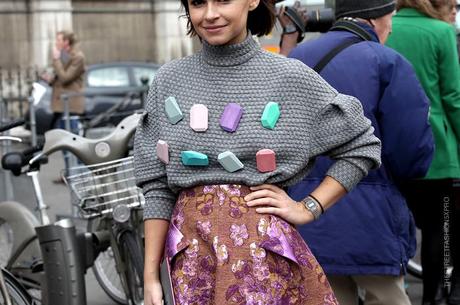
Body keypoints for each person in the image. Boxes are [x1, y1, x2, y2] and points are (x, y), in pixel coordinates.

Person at [133, 0, 382, 303]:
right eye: (198, 3)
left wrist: (308, 207)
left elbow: (362, 145)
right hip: (193, 263)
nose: (210, 14)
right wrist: (150, 278)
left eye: (223, 0)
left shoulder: (289, 77)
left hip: (266, 262)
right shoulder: (168, 81)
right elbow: (157, 186)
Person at [283, 1, 434, 304]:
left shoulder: (296, 59)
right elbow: (411, 149)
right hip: (372, 220)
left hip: (307, 215)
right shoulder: (387, 62)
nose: (390, 27)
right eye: (391, 17)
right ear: (377, 17)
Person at [386, 1, 460, 304]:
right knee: (438, 228)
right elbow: (452, 96)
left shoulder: (386, 26)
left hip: (390, 147)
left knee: (393, 225)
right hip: (436, 151)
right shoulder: (441, 32)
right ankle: (432, 297)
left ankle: (395, 290)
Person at [41, 30, 86, 182]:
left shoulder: (78, 57)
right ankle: (69, 175)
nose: (56, 43)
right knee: (65, 143)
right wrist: (50, 79)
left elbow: (66, 77)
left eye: (58, 40)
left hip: (71, 107)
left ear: (66, 42)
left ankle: (81, 177)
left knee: (76, 143)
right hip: (62, 106)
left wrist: (56, 60)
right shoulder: (64, 57)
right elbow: (60, 79)